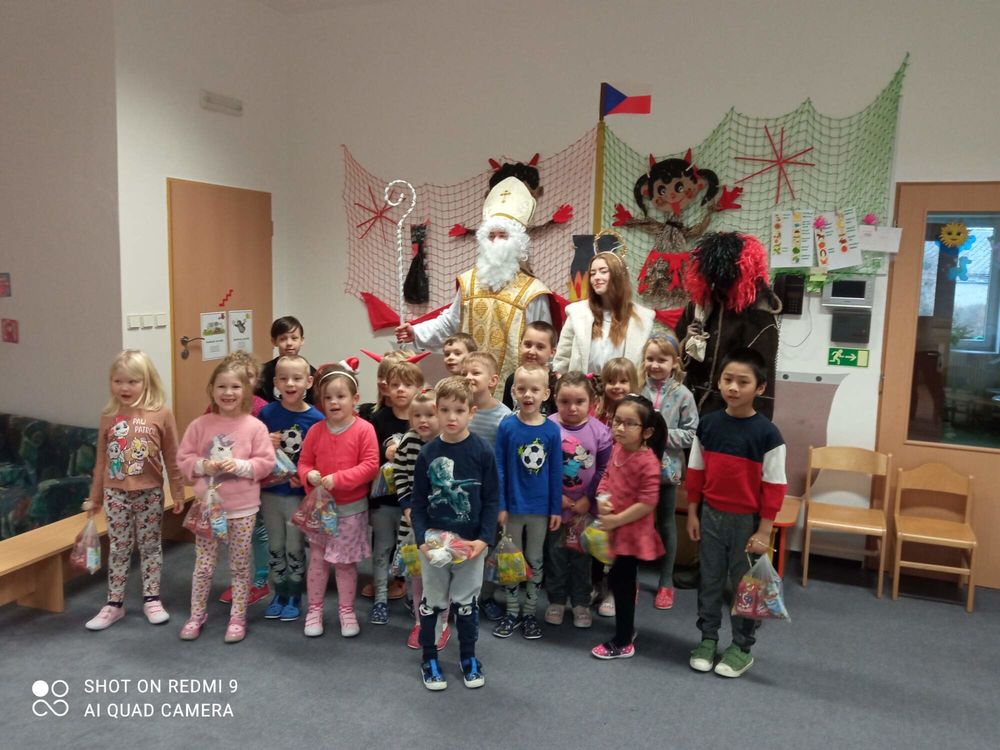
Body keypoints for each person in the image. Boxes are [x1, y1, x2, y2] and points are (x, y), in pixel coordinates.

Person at [395, 176, 553, 393]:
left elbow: (542, 343)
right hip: (468, 394)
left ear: (518, 243)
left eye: (503, 235)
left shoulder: (533, 292)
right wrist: (416, 332)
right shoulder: (469, 283)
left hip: (514, 394)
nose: (496, 242)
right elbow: (450, 325)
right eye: (491, 236)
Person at [685, 347, 787, 678]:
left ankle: (742, 647)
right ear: (719, 381)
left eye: (743, 382)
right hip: (711, 516)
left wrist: (764, 530)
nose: (733, 387)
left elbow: (775, 486)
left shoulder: (768, 434)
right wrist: (693, 512)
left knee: (746, 587)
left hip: (748, 523)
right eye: (728, 379)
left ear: (760, 388)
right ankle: (707, 638)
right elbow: (696, 473)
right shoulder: (708, 425)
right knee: (710, 581)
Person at [83, 350, 185, 631]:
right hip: (115, 493)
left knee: (150, 546)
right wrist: (95, 497)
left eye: (132, 381)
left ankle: (152, 599)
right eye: (118, 381)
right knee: (119, 547)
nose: (124, 388)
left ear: (147, 381)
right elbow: (101, 460)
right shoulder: (109, 415)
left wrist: (178, 492)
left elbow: (172, 456)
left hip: (149, 492)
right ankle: (114, 603)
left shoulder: (162, 413)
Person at [176, 360, 275, 643]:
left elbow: (266, 462)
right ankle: (197, 615)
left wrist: (241, 466)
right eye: (222, 386)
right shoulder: (200, 425)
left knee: (240, 565)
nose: (228, 392)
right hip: (208, 508)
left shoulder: (255, 426)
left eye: (235, 387)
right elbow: (184, 458)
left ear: (246, 391)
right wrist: (201, 465)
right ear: (211, 389)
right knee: (204, 565)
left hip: (242, 509)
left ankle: (237, 616)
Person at [410, 377, 499, 690]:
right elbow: (417, 503)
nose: (451, 417)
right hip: (434, 544)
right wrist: (422, 540)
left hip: (471, 545)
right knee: (433, 602)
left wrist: (483, 539)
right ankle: (429, 658)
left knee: (466, 604)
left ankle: (468, 657)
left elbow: (492, 500)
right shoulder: (428, 454)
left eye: (459, 410)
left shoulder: (483, 451)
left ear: (472, 412)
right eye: (445, 410)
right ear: (436, 410)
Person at [297, 365, 379, 639]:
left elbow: (370, 466)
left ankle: (346, 610)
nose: (334, 402)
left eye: (340, 396)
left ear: (355, 399)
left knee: (345, 564)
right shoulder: (315, 430)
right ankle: (314, 610)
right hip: (320, 509)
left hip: (351, 510)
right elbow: (304, 462)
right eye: (328, 397)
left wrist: (340, 479)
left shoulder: (364, 430)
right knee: (318, 560)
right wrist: (308, 474)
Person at [591, 395, 666, 660]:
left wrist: (616, 520)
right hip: (615, 527)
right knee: (616, 580)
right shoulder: (617, 449)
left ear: (647, 432)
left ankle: (623, 641)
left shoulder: (648, 462)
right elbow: (607, 477)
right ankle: (626, 630)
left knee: (622, 585)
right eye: (617, 421)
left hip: (631, 533)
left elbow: (647, 503)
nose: (620, 428)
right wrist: (602, 499)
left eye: (629, 423)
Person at [676, 232, 781, 419]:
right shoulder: (698, 306)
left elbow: (761, 380)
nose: (718, 286)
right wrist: (688, 343)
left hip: (732, 415)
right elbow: (676, 357)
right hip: (689, 408)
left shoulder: (759, 315)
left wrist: (755, 425)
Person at [493, 364, 562, 640]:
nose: (528, 395)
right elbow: (499, 467)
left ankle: (530, 612)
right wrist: (501, 504)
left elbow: (555, 471)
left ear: (546, 393)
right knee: (512, 561)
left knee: (535, 558)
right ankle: (512, 611)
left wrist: (555, 508)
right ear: (513, 391)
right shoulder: (507, 426)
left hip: (540, 509)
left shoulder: (552, 431)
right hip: (512, 508)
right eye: (521, 389)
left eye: (535, 389)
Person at [257, 355, 323, 621]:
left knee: (294, 545)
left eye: (297, 378)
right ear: (275, 382)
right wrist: (265, 443)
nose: (290, 384)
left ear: (309, 381)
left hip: (297, 495)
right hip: (270, 492)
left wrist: (306, 478)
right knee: (275, 543)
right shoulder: (267, 414)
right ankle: (279, 592)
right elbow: (254, 452)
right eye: (283, 378)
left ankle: (295, 593)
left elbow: (320, 459)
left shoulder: (316, 419)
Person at [544, 372, 612, 629]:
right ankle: (556, 600)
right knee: (555, 555)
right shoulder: (547, 427)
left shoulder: (600, 432)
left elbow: (604, 469)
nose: (572, 408)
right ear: (555, 399)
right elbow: (540, 468)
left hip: (585, 508)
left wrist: (587, 498)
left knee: (582, 558)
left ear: (592, 402)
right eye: (565, 401)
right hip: (555, 507)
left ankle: (581, 602)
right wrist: (555, 496)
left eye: (579, 402)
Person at [639, 333, 698, 611]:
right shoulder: (638, 389)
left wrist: (659, 436)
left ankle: (665, 581)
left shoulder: (684, 395)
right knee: (638, 524)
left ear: (674, 362)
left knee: (665, 524)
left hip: (667, 472)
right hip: (636, 471)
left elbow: (690, 434)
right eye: (650, 358)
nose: (655, 364)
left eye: (662, 360)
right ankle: (632, 578)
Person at [364, 360, 424, 625]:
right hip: (384, 501)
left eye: (407, 385)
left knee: (410, 550)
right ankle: (380, 597)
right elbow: (367, 454)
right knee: (383, 547)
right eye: (395, 384)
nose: (400, 389)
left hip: (411, 501)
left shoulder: (422, 419)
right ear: (386, 388)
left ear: (419, 388)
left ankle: (412, 596)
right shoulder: (378, 419)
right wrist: (383, 452)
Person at [392, 389, 450, 651]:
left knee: (441, 574)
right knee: (417, 575)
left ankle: (443, 623)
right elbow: (400, 476)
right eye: (417, 415)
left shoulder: (448, 442)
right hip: (413, 522)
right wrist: (407, 507)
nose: (423, 421)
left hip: (442, 523)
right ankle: (420, 622)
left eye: (429, 415)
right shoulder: (408, 442)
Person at [217, 350, 270, 607]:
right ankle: (240, 579)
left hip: (254, 482)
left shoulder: (261, 408)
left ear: (256, 380)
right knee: (234, 534)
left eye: (248, 377)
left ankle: (260, 580)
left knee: (258, 531)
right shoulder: (217, 407)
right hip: (227, 484)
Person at [463, 350, 511, 620]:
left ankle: (486, 596)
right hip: (463, 494)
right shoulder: (460, 410)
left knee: (489, 546)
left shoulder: (504, 417)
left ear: (493, 380)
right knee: (464, 544)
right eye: (465, 373)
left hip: (489, 496)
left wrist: (502, 503)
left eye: (475, 372)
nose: (469, 377)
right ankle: (464, 596)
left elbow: (505, 463)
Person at [553, 251, 655, 375]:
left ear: (618, 275)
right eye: (592, 273)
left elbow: (647, 365)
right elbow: (561, 361)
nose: (596, 277)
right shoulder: (577, 313)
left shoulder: (643, 318)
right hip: (582, 385)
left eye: (603, 271)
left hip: (623, 385)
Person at [501, 321, 559, 417]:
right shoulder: (513, 379)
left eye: (540, 347)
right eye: (527, 345)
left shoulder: (556, 384)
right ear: (520, 345)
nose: (532, 351)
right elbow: (506, 412)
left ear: (552, 352)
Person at [256, 316, 318, 404]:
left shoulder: (312, 373)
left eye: (294, 338)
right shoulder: (262, 373)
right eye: (283, 339)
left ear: (302, 340)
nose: (289, 343)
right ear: (274, 341)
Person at [595, 357, 639, 430]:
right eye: (610, 381)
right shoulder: (597, 406)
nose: (616, 386)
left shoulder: (638, 410)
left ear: (633, 383)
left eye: (623, 381)